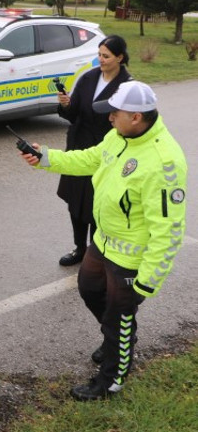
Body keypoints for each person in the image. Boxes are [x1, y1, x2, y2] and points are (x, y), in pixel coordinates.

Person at [19, 81, 187, 401]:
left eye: (115, 113)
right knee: (89, 288)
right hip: (103, 241)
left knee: (118, 316)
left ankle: (111, 381)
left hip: (130, 256)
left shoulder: (165, 162)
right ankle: (121, 337)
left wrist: (146, 283)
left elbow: (169, 231)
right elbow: (89, 159)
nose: (109, 118)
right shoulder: (118, 136)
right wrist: (45, 157)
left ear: (136, 117)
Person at [55, 35, 132, 266]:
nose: (101, 60)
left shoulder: (127, 86)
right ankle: (79, 248)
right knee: (75, 202)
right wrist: (66, 104)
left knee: (97, 205)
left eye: (106, 56)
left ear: (120, 57)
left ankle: (96, 253)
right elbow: (73, 114)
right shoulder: (89, 77)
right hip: (78, 146)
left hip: (105, 151)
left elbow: (127, 123)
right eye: (99, 55)